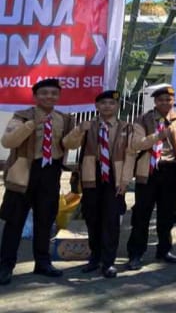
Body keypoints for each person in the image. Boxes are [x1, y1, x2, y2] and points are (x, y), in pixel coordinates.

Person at [0, 78, 74, 285]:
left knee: (45, 220)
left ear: (58, 96)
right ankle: (5, 266)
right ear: (35, 96)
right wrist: (32, 125)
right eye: (44, 93)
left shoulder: (64, 119)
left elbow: (69, 144)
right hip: (24, 173)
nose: (49, 97)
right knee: (15, 221)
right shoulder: (22, 116)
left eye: (53, 93)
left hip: (50, 173)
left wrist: (78, 133)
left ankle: (42, 263)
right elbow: (8, 141)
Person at [62, 90, 133, 278]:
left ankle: (108, 262)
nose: (107, 106)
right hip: (91, 177)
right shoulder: (87, 126)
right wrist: (79, 130)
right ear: (97, 106)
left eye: (111, 103)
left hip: (114, 178)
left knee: (111, 221)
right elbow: (68, 144)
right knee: (92, 219)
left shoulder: (126, 127)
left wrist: (125, 180)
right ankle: (95, 257)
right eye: (103, 103)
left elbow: (130, 155)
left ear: (117, 106)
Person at [126, 85, 176, 270]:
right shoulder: (142, 120)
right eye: (161, 100)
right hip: (148, 171)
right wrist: (158, 135)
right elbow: (136, 144)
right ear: (155, 102)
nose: (165, 103)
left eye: (168, 100)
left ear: (174, 101)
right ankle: (136, 253)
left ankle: (164, 250)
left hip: (169, 171)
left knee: (167, 213)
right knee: (141, 213)